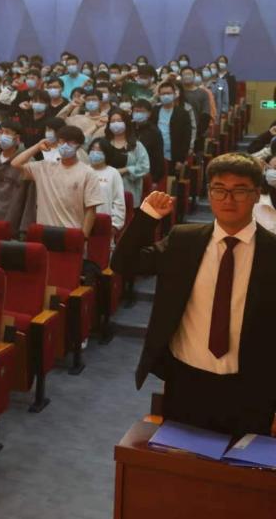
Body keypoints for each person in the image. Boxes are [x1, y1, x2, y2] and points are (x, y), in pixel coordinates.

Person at [111, 153, 276, 437]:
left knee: (239, 465)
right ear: (209, 193)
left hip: (251, 389)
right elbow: (124, 264)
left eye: (239, 190)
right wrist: (147, 217)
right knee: (181, 460)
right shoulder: (184, 241)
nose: (228, 199)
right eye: (219, 189)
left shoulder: (272, 252)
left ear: (256, 194)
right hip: (186, 381)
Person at [11, 125, 103, 237]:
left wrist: (83, 237)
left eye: (70, 142)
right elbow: (15, 163)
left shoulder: (88, 173)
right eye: (62, 141)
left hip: (71, 233)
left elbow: (91, 210)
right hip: (44, 232)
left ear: (78, 145)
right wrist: (37, 146)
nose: (65, 146)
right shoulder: (44, 167)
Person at [87, 138, 126, 233]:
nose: (95, 152)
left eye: (99, 150)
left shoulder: (113, 173)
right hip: (83, 221)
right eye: (93, 149)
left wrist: (115, 225)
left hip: (104, 223)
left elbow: (119, 201)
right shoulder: (83, 170)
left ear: (106, 153)